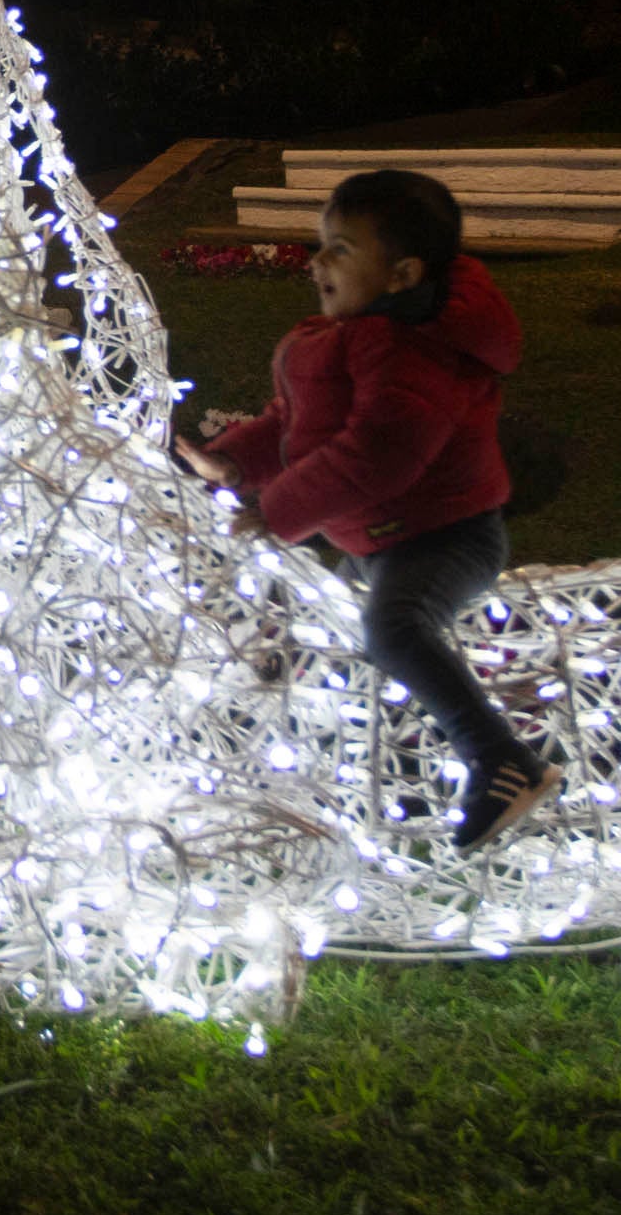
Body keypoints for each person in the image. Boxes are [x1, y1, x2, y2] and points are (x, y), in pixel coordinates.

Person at [178, 168, 555, 851]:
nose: (317, 261)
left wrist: (278, 508)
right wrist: (232, 463)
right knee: (350, 647)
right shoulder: (357, 332)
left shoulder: (415, 351)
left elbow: (380, 452)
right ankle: (396, 771)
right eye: (321, 243)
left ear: (403, 273)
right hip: (379, 538)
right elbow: (299, 423)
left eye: (341, 249)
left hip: (445, 537)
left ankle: (504, 761)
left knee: (395, 631)